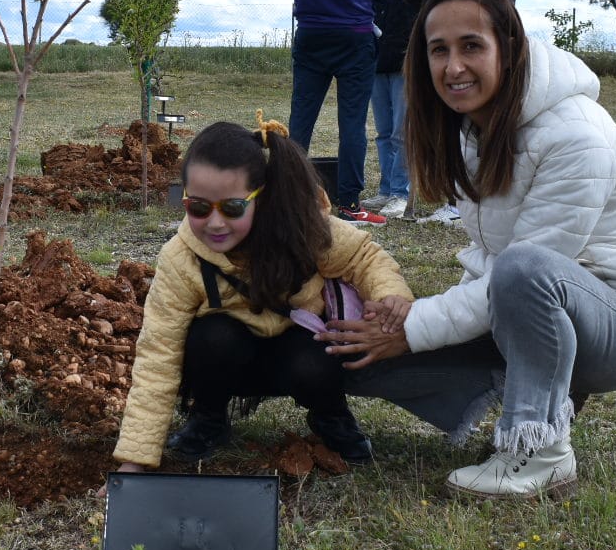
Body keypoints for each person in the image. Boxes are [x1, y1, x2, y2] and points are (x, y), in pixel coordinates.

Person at [324, 0, 616, 498]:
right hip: (530, 303)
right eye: (438, 49)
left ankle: (541, 450)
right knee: (359, 359)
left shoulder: (575, 135)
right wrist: (401, 322)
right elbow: (492, 258)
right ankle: (520, 393)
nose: (453, 66)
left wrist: (415, 327)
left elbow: (521, 272)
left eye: (471, 45)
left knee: (520, 272)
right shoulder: (475, 126)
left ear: (508, 47)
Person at [111, 117, 413, 473]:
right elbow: (157, 356)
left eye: (233, 207)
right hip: (230, 361)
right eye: (199, 206)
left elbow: (364, 258)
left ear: (262, 196)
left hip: (301, 354)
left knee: (319, 354)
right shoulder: (181, 258)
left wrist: (391, 293)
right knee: (211, 337)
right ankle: (208, 416)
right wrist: (134, 459)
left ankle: (330, 415)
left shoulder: (305, 229)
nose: (215, 222)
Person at [284, 0, 393, 226]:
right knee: (352, 123)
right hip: (355, 37)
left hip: (311, 32)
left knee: (301, 118)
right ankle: (348, 204)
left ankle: (289, 199)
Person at [363, 0, 447, 221]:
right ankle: (386, 189)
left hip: (409, 56)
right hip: (377, 53)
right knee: (383, 131)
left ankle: (401, 192)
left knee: (402, 131)